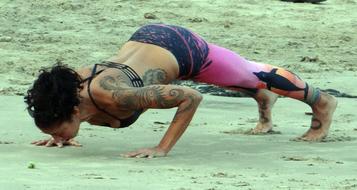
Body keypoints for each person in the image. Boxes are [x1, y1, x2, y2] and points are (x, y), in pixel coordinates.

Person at [25, 24, 337, 158]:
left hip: (181, 47)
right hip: (145, 42)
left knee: (253, 73)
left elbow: (190, 96)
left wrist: (162, 148)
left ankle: (322, 104)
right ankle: (262, 99)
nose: (61, 136)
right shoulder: (66, 93)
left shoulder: (117, 96)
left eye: (61, 129)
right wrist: (59, 133)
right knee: (243, 81)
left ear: (75, 111)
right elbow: (56, 101)